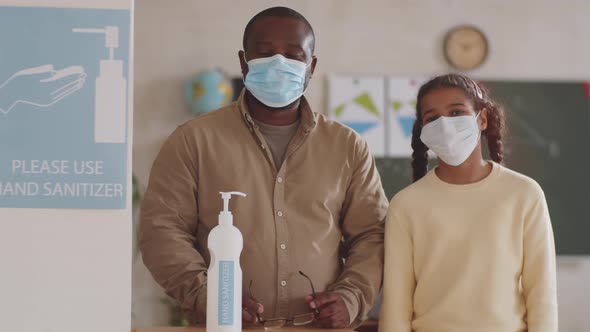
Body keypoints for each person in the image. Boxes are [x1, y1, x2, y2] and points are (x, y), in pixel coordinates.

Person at [139, 6, 387, 329]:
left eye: (294, 54)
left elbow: (372, 234)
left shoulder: (347, 147)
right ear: (244, 63)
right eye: (265, 53)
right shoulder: (193, 141)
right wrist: (209, 298)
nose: (279, 63)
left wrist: (351, 296)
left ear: (311, 67)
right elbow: (162, 231)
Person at [380, 74, 558, 332]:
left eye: (456, 112)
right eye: (432, 118)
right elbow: (396, 301)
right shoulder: (406, 204)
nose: (445, 124)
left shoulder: (523, 193)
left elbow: (542, 290)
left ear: (482, 119)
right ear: (424, 131)